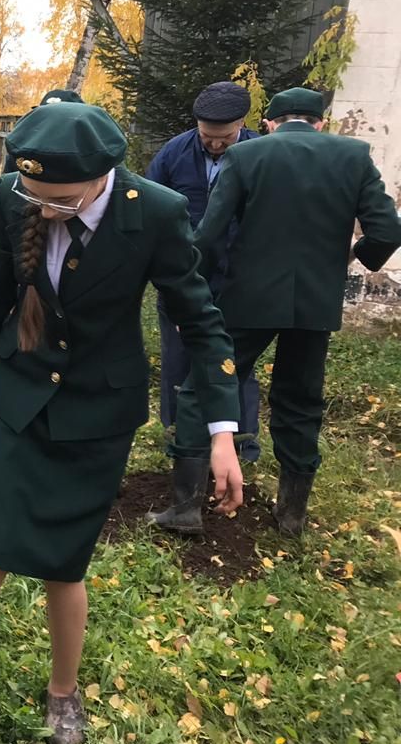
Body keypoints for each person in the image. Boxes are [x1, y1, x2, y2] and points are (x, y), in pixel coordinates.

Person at [0, 102, 243, 744]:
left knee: (65, 566)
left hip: (99, 413)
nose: (46, 211)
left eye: (62, 202)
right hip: (20, 400)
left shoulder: (153, 212)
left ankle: (63, 692)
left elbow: (201, 321)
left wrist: (222, 432)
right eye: (37, 197)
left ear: (103, 177)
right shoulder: (16, 195)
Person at [157, 87, 401, 536]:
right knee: (300, 398)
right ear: (319, 122)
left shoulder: (248, 156)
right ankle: (291, 514)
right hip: (316, 302)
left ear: (269, 122)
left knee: (203, 386)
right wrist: (353, 256)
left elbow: (208, 234)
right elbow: (387, 229)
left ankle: (186, 508)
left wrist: (190, 296)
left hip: (248, 299)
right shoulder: (354, 155)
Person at [147, 81, 262, 463]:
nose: (214, 144)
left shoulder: (261, 153)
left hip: (238, 278)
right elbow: (152, 205)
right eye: (207, 136)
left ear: (242, 124)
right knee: (179, 358)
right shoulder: (174, 153)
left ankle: (242, 440)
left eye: (224, 137)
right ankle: (183, 437)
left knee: (234, 361)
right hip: (183, 275)